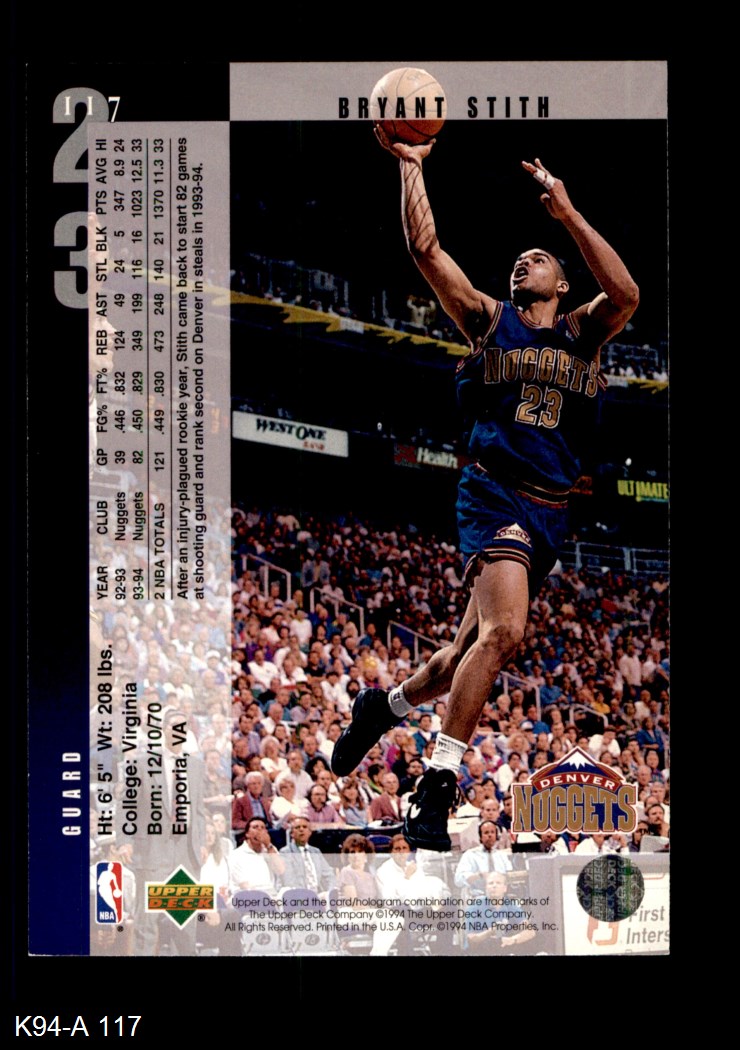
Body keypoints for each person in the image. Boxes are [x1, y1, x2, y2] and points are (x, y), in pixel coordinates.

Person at [333, 135, 639, 852]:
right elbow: (427, 251)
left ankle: (384, 706)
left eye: (539, 259)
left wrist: (567, 214)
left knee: (459, 658)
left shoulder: (584, 333)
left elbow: (627, 293)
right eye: (519, 260)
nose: (522, 263)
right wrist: (410, 167)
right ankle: (436, 786)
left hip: (551, 509)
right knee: (506, 634)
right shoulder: (487, 319)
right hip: (495, 492)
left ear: (562, 284)